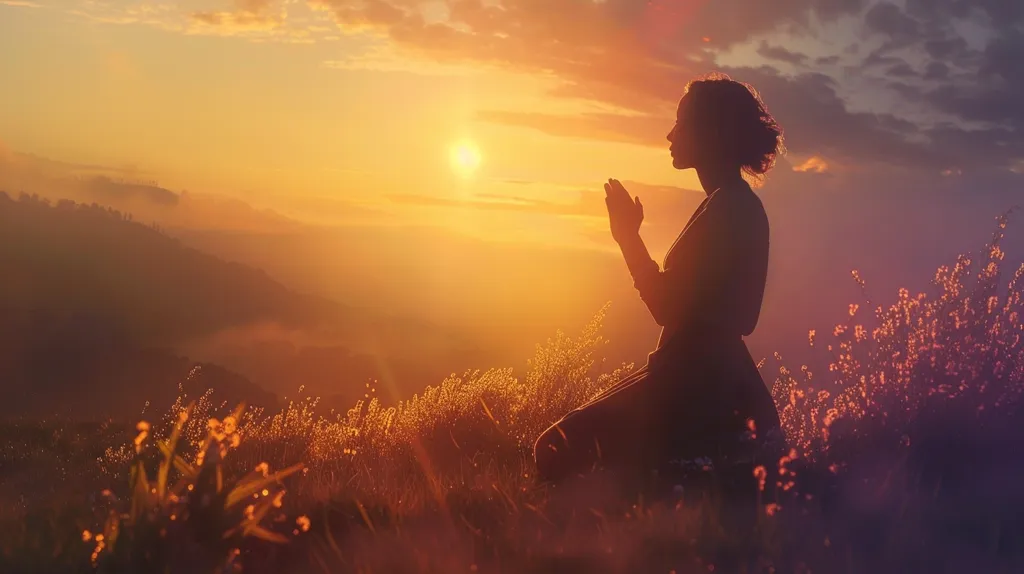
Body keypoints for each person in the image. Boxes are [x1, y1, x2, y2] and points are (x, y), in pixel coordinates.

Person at [534, 73, 787, 487]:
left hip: (699, 390)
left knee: (555, 448)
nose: (670, 134)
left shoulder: (730, 209)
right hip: (713, 382)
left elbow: (667, 307)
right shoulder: (730, 204)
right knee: (572, 440)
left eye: (681, 122)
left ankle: (670, 484)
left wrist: (629, 239)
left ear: (710, 132)